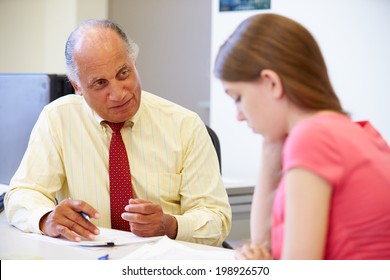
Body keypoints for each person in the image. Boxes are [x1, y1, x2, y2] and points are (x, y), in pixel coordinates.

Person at [5, 19, 231, 246]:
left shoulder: (185, 126)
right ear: (78, 87)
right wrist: (46, 218)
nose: (118, 94)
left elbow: (216, 219)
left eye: (123, 74)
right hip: (90, 262)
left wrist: (170, 225)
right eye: (100, 83)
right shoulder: (58, 119)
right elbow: (22, 193)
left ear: (135, 64)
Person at [214, 13, 390, 259]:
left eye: (238, 98)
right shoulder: (359, 132)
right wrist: (270, 144)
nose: (239, 116)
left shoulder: (313, 137)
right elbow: (263, 245)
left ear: (271, 83)